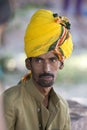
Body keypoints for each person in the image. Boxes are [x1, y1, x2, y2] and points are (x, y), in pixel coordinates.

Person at [2, 9, 73, 130]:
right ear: (28, 64)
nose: (46, 68)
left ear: (61, 64)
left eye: (52, 60)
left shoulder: (62, 106)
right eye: (39, 60)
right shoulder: (10, 101)